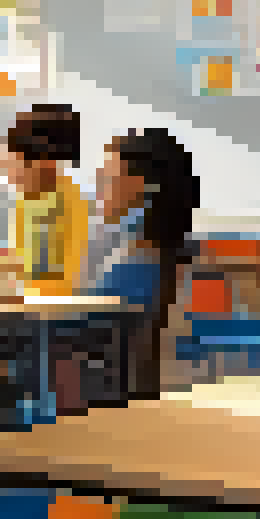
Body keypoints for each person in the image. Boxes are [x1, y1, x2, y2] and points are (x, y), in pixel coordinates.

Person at [82, 128, 200, 402]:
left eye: (108, 179)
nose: (98, 188)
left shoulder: (132, 264)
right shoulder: (168, 257)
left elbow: (84, 341)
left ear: (143, 188)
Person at [0, 104, 89, 288]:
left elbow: (48, 281)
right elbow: (22, 262)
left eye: (13, 167)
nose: (7, 175)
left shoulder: (61, 207)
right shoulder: (32, 196)